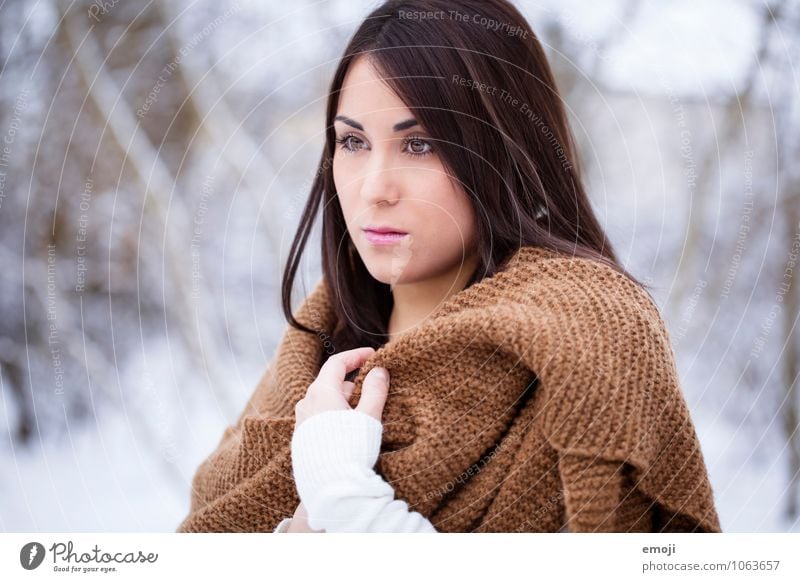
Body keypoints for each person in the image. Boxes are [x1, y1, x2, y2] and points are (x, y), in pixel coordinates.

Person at [178, 0, 721, 534]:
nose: (373, 188)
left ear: (506, 149)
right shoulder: (315, 350)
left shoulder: (593, 339)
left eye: (419, 144)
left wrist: (342, 492)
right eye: (353, 141)